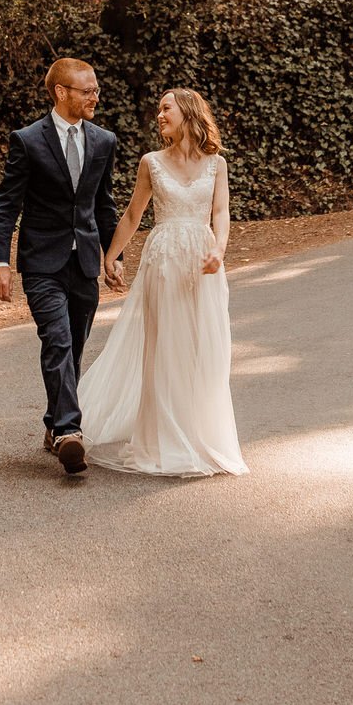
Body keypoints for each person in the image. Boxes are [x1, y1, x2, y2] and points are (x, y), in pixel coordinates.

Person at [79, 87, 248, 479]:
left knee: (204, 348)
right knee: (165, 348)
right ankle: (162, 441)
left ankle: (201, 436)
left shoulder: (216, 164)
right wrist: (112, 256)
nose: (159, 114)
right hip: (164, 260)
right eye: (158, 109)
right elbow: (133, 215)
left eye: (166, 108)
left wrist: (219, 251)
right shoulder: (151, 163)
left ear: (187, 112)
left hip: (205, 260)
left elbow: (220, 212)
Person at [0, 55, 120, 476]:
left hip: (84, 263)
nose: (95, 96)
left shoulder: (104, 141)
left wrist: (113, 255)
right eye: (87, 91)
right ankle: (68, 432)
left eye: (96, 89)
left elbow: (104, 203)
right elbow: (6, 203)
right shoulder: (27, 140)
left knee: (75, 346)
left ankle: (53, 425)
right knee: (58, 340)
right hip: (41, 262)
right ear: (61, 93)